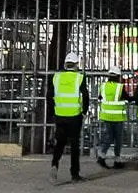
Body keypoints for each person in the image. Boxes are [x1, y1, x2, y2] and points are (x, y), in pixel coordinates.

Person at [49, 53, 89, 182]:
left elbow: (49, 96)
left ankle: (54, 165)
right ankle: (74, 175)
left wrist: (53, 112)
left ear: (65, 64)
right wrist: (84, 112)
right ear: (77, 64)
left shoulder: (56, 77)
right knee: (74, 145)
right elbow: (86, 96)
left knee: (59, 143)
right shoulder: (79, 78)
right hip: (74, 116)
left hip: (60, 116)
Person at [97, 67, 129, 162]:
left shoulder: (103, 86)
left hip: (106, 116)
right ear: (118, 76)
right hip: (118, 117)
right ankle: (117, 158)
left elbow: (100, 98)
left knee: (108, 137)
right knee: (118, 139)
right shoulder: (120, 87)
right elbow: (127, 98)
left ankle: (102, 155)